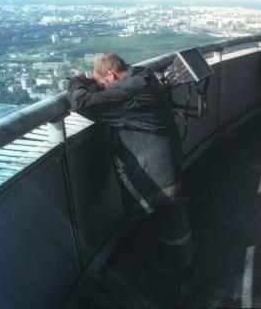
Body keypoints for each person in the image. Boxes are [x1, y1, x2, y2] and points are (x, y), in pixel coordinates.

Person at [66, 54, 193, 277]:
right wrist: (95, 84)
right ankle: (177, 258)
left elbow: (82, 103)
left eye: (102, 83)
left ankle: (181, 264)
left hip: (155, 164)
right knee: (168, 212)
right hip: (163, 155)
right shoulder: (141, 75)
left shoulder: (132, 90)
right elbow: (113, 95)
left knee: (170, 214)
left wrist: (76, 81)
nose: (102, 88)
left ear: (111, 74)